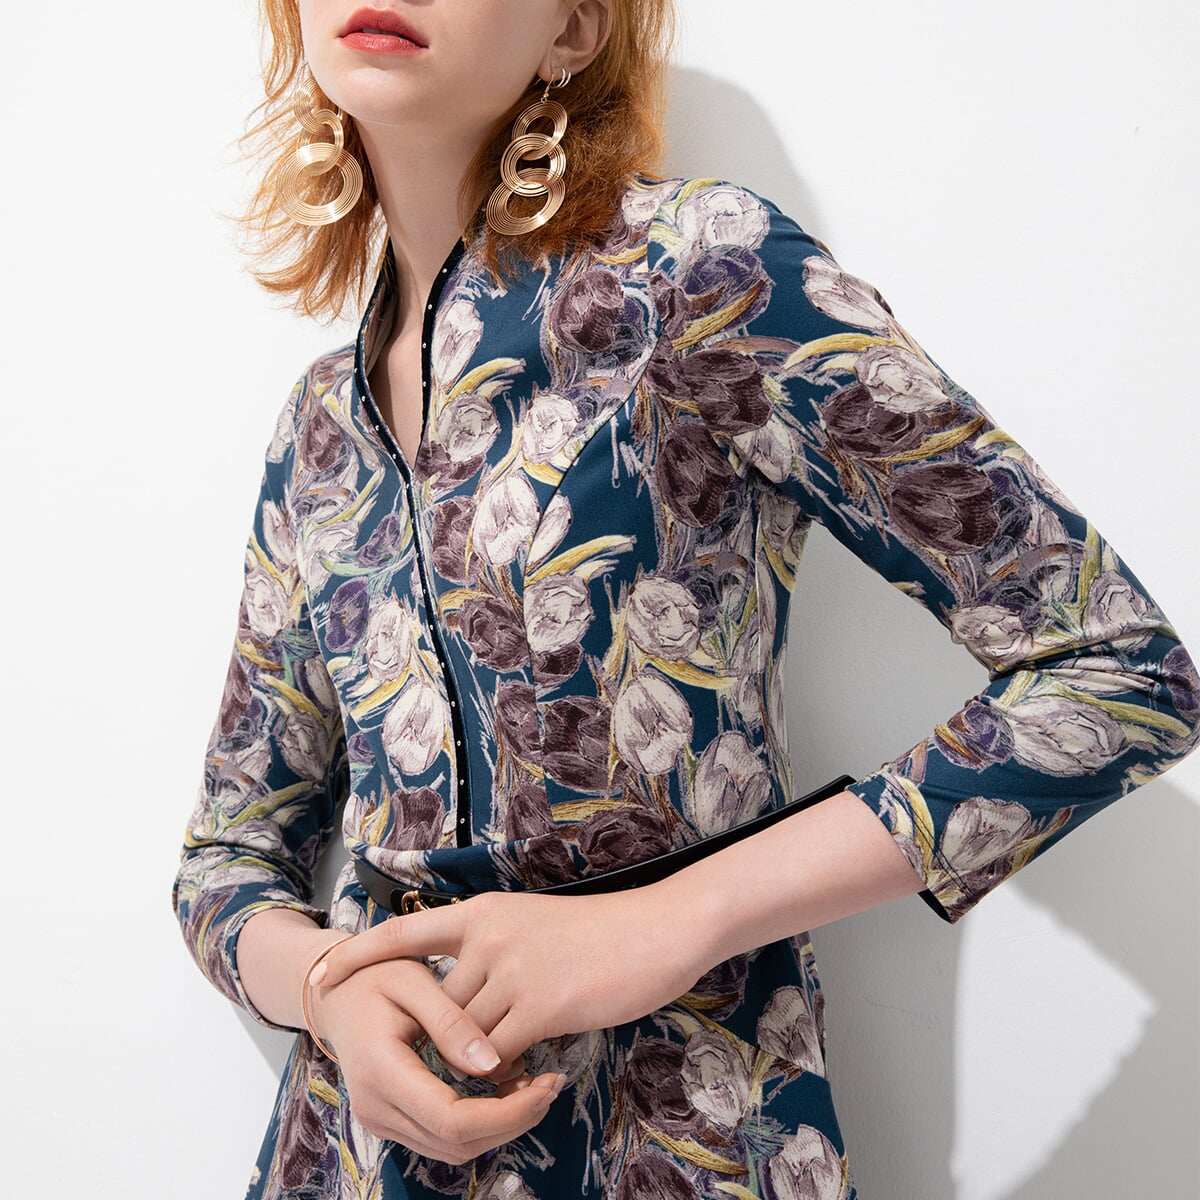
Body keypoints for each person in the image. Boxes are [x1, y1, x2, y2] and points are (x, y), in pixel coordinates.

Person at [170, 2, 1200, 1197]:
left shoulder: (693, 274)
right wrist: (327, 991)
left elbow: (1122, 672)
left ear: (574, 30)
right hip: (357, 1155)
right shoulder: (318, 427)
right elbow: (227, 854)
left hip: (672, 1131)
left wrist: (668, 921)